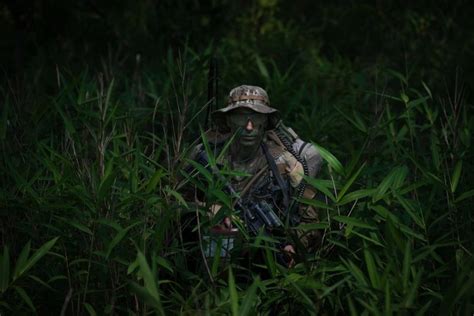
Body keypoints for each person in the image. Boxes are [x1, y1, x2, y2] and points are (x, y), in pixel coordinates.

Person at [184, 85, 322, 267]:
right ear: (228, 121)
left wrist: (294, 245)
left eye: (256, 117)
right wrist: (206, 210)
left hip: (266, 266)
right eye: (241, 117)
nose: (249, 126)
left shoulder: (284, 163)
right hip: (210, 261)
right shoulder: (206, 157)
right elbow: (171, 204)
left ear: (265, 122)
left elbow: (310, 221)